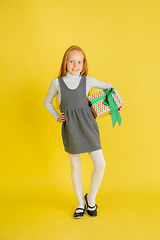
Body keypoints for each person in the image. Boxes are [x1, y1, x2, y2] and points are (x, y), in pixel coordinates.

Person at [44, 45, 124, 219]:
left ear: (83, 63)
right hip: (71, 128)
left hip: (88, 126)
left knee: (100, 164)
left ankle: (91, 199)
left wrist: (118, 101)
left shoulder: (87, 80)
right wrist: (57, 116)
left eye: (79, 61)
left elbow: (108, 87)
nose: (75, 65)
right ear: (65, 62)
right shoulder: (57, 83)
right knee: (75, 167)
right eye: (71, 61)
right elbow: (47, 101)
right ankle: (80, 204)